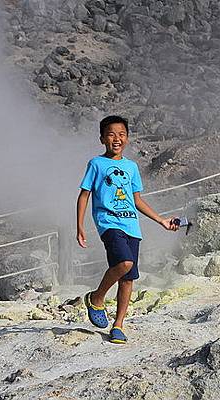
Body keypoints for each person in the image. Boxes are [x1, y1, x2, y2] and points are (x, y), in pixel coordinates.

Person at [76, 115, 178, 344]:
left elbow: (137, 200)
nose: (116, 139)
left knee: (128, 277)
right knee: (124, 263)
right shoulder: (96, 164)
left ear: (128, 139)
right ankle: (97, 298)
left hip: (132, 225)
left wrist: (160, 220)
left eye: (121, 134)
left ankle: (118, 325)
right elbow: (84, 195)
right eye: (111, 134)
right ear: (102, 138)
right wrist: (80, 226)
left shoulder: (131, 167)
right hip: (108, 223)